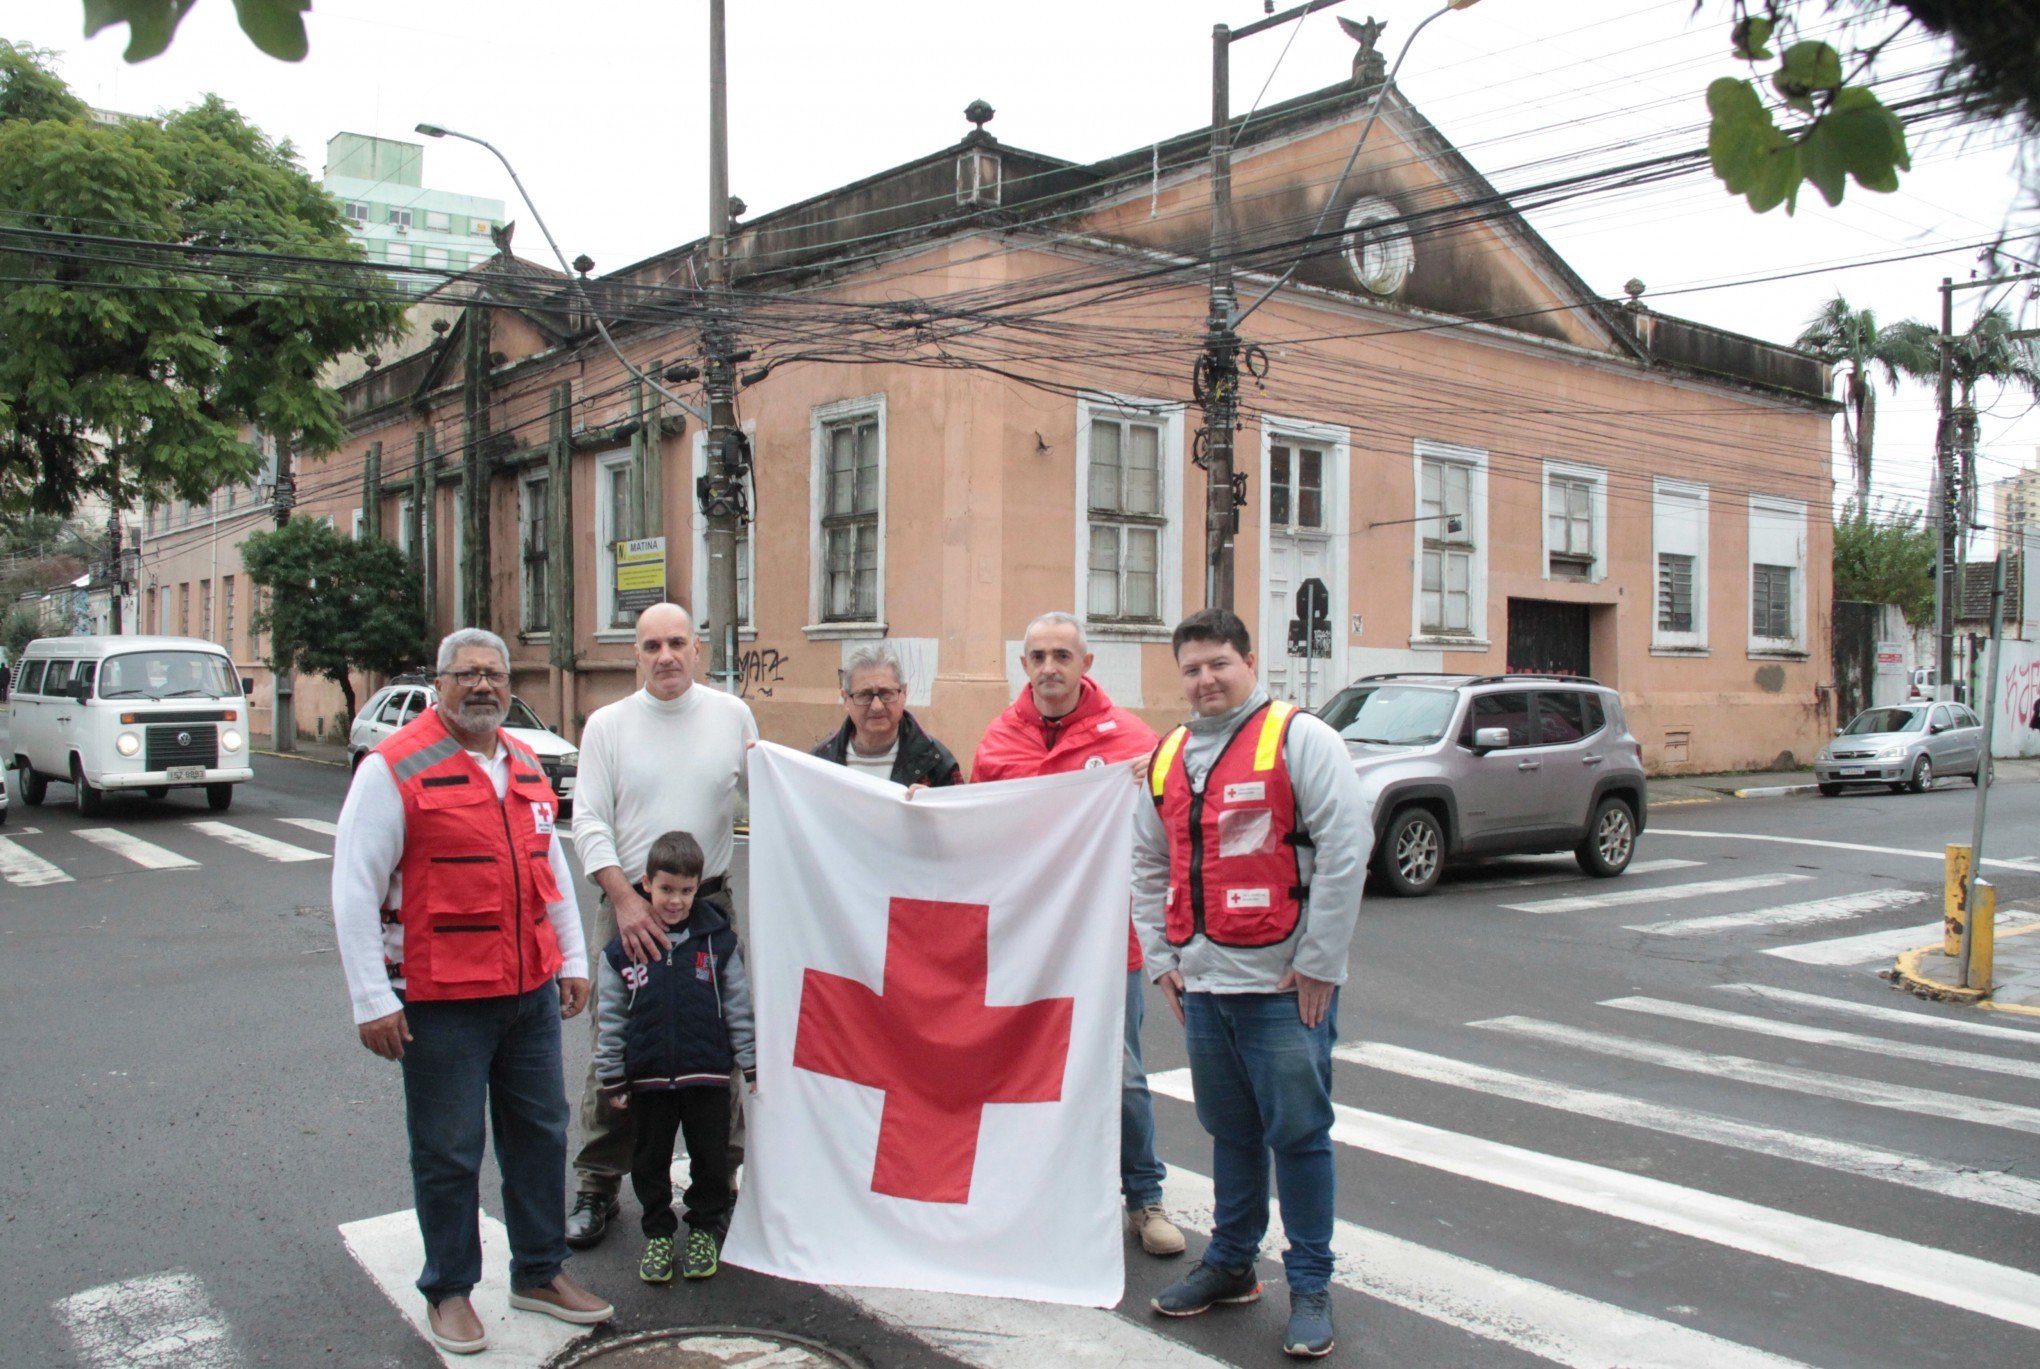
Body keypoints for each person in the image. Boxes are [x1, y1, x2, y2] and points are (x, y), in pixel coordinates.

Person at [331, 627, 612, 1357]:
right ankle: (450, 1289)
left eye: (495, 674)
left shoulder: (523, 762)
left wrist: (573, 959)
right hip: (439, 999)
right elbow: (354, 889)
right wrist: (373, 998)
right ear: (439, 682)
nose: (483, 686)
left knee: (541, 1136)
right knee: (449, 1149)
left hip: (527, 994)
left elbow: (548, 871)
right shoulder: (392, 767)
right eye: (468, 674)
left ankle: (540, 1272)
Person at [1134, 609, 1368, 1360]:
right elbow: (1149, 864)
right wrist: (1164, 960)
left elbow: (1344, 846)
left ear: (1248, 661)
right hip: (1204, 984)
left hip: (1281, 986)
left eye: (1218, 664)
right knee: (1229, 1132)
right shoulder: (1168, 755)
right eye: (1192, 668)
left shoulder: (1301, 738)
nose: (1206, 679)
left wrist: (1322, 961)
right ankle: (1232, 1264)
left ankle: (1309, 1285)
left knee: (1298, 1136)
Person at [971, 610, 1186, 1259]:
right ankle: (1036, 1193)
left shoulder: (1132, 741)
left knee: (1118, 1072)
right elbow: (974, 831)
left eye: (1062, 654)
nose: (1049, 667)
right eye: (1037, 655)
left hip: (1102, 943)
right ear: (1024, 665)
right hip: (1023, 942)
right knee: (1019, 1070)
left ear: (1086, 664)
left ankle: (1143, 1196)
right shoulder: (1000, 740)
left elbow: (1170, 834)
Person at [567, 602, 759, 1248]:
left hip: (709, 906)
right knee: (618, 1045)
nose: (665, 655)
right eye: (651, 645)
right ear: (636, 655)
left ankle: (720, 1181)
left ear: (698, 648)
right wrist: (625, 898)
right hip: (629, 901)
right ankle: (597, 1182)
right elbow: (588, 819)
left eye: (677, 642)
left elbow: (772, 796)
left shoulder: (731, 715)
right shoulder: (608, 725)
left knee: (720, 1040)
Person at [594, 830, 756, 1285]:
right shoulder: (623, 948)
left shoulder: (718, 942)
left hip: (706, 1077)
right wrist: (612, 1075)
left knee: (711, 1157)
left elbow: (739, 1007)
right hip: (648, 1080)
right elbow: (611, 1017)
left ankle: (703, 1228)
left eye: (686, 890)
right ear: (646, 883)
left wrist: (750, 1063)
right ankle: (658, 1234)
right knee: (649, 1160)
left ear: (699, 886)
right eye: (666, 888)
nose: (675, 900)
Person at [812, 644, 963, 787]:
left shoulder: (936, 763)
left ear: (904, 693)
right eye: (864, 695)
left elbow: (959, 813)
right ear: (846, 699)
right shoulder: (820, 762)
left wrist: (929, 808)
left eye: (886, 694)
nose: (877, 706)